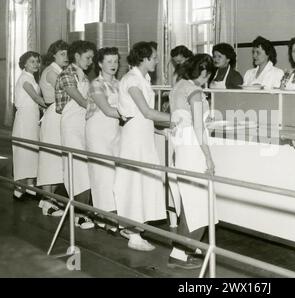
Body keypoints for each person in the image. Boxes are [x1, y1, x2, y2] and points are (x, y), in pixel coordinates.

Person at [114, 42, 170, 251]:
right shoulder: (131, 80)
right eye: (154, 57)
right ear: (144, 59)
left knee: (143, 182)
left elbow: (142, 117)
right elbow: (147, 112)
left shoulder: (143, 78)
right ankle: (133, 233)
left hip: (143, 136)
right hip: (134, 140)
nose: (156, 60)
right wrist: (179, 119)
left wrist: (159, 130)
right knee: (133, 184)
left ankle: (136, 229)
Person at [168, 54, 218, 269]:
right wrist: (208, 156)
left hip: (180, 145)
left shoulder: (178, 85)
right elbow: (198, 128)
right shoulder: (195, 92)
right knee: (199, 202)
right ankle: (178, 254)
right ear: (205, 73)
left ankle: (184, 250)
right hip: (193, 147)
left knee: (190, 201)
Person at [55, 40, 97, 229]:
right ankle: (79, 214)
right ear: (77, 56)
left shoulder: (84, 76)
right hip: (72, 124)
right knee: (77, 169)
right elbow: (81, 101)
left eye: (92, 58)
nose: (90, 62)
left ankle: (76, 210)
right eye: (87, 58)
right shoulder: (66, 75)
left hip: (83, 123)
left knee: (83, 169)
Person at [85, 47, 121, 231]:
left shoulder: (119, 83)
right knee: (101, 174)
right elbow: (107, 110)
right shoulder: (96, 84)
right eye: (109, 61)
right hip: (98, 129)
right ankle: (103, 215)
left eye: (115, 61)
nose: (113, 65)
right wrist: (132, 115)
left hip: (114, 130)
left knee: (113, 174)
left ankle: (110, 213)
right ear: (100, 63)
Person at [37, 40, 69, 216]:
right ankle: (47, 202)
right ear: (53, 55)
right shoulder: (51, 72)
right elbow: (67, 89)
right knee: (50, 159)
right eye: (62, 54)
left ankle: (48, 199)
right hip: (53, 115)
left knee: (58, 160)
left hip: (61, 115)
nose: (66, 57)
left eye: (67, 53)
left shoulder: (60, 71)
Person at [12, 51, 46, 199]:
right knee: (23, 153)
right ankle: (19, 189)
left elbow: (36, 102)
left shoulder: (32, 78)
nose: (36, 64)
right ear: (24, 63)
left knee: (32, 152)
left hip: (32, 120)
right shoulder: (25, 79)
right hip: (24, 121)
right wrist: (50, 105)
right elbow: (36, 97)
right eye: (32, 61)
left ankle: (30, 186)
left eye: (37, 61)